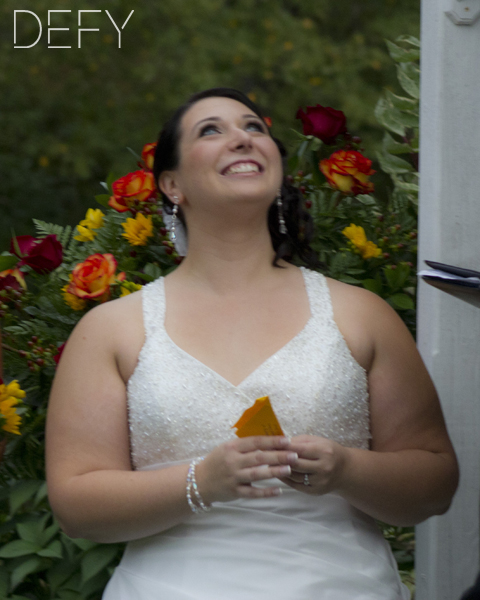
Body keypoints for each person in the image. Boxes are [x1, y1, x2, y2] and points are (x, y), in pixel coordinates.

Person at [46, 87, 459, 600]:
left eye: (254, 128)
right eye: (211, 130)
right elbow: (75, 505)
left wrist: (348, 469)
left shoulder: (359, 313)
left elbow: (434, 486)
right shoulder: (113, 328)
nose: (241, 138)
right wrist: (202, 481)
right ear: (172, 184)